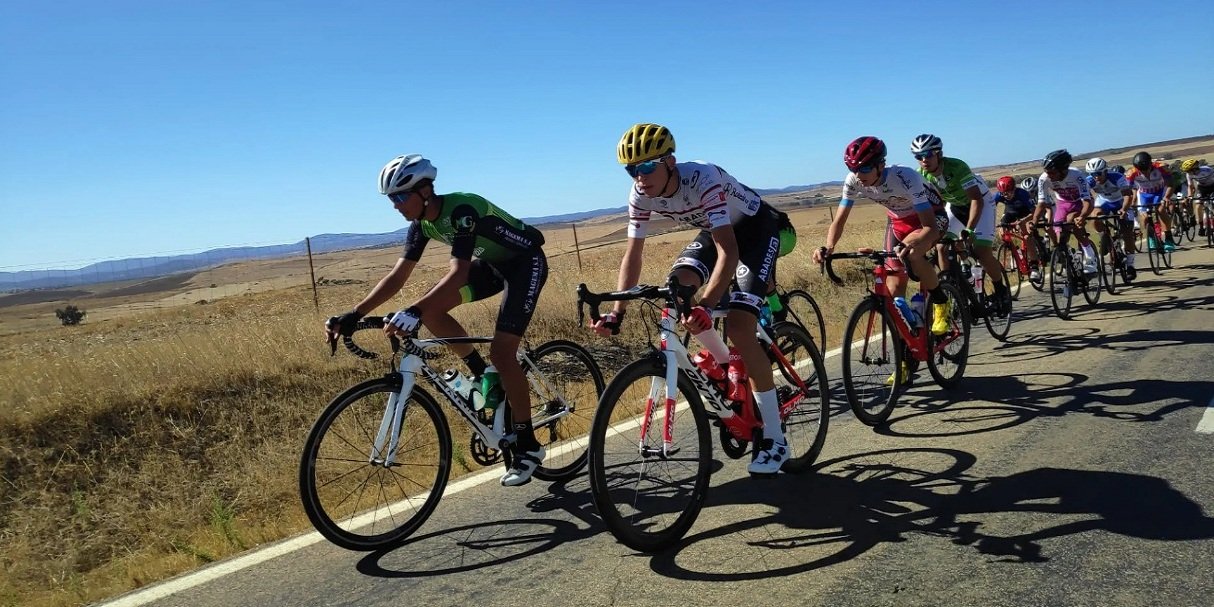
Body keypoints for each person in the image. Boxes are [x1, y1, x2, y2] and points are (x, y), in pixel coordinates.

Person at [324, 154, 551, 487]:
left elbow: (458, 273)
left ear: (425, 190)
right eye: (392, 199)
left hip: (526, 264)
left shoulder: (461, 211)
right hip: (493, 266)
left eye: (401, 196)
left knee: (502, 354)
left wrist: (412, 310)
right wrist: (354, 314)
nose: (396, 205)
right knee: (431, 310)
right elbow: (397, 276)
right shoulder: (421, 225)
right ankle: (481, 374)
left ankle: (528, 446)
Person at [591, 123, 796, 475]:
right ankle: (727, 362)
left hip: (754, 230)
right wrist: (616, 311)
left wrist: (707, 302)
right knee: (677, 286)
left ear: (670, 161)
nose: (638, 177)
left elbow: (728, 251)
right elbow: (633, 254)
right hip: (715, 232)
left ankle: (775, 439)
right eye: (631, 170)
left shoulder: (702, 178)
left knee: (740, 325)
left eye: (646, 167)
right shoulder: (640, 194)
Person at [812, 136, 950, 383]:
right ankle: (907, 354)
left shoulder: (906, 176)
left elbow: (929, 225)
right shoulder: (853, 180)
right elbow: (840, 219)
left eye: (864, 168)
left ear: (880, 165)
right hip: (897, 223)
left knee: (915, 254)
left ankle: (941, 302)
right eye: (853, 168)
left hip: (929, 218)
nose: (858, 174)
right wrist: (828, 247)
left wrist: (914, 243)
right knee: (894, 298)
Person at [911, 134, 1011, 312]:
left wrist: (969, 229)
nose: (924, 160)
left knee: (980, 250)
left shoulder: (957, 167)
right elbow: (932, 206)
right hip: (955, 206)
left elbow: (976, 200)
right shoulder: (921, 175)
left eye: (928, 154)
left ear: (938, 154)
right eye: (919, 156)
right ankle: (952, 288)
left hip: (980, 203)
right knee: (941, 246)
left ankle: (1001, 291)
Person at [1031, 149, 1099, 274]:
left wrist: (1082, 216)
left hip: (1081, 202)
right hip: (1063, 203)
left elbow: (1087, 201)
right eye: (1046, 172)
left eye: (1052, 172)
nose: (1048, 175)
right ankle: (1068, 258)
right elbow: (1041, 203)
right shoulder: (1044, 178)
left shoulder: (1076, 175)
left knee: (1072, 220)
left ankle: (1090, 257)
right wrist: (1034, 221)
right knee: (1059, 234)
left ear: (1063, 169)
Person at [1084, 157, 1136, 280]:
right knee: (1094, 216)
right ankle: (1104, 236)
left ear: (1105, 171)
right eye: (1093, 174)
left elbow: (1128, 196)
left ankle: (1130, 265)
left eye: (1098, 174)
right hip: (1104, 201)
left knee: (1127, 232)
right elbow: (1085, 197)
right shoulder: (1089, 181)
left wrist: (1123, 209)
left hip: (1121, 201)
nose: (1096, 177)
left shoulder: (1117, 177)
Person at [1125, 151, 1177, 252]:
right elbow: (1129, 191)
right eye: (1141, 170)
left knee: (1161, 210)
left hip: (1160, 191)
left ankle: (1169, 238)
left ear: (1151, 164)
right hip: (1144, 194)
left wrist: (1167, 197)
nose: (1144, 172)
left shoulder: (1161, 167)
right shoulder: (1131, 173)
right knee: (1144, 216)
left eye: (1146, 169)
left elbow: (1170, 184)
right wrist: (1131, 202)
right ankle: (1151, 237)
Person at [994, 175, 1041, 281]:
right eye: (1003, 193)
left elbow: (1034, 212)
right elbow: (990, 209)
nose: (1006, 195)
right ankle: (1014, 251)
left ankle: (1034, 267)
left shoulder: (1022, 194)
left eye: (1008, 192)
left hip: (1026, 214)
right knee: (1002, 231)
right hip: (1010, 213)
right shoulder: (998, 195)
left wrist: (1023, 221)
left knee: (1027, 236)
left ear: (1014, 189)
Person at [1181, 159, 1214, 236]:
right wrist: (1189, 196)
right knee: (1198, 205)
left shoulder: (1208, 170)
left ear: (1194, 168)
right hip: (1202, 188)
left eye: (1189, 171)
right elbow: (1190, 186)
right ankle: (1201, 226)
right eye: (1187, 171)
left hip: (1213, 186)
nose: (1188, 173)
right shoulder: (1188, 174)